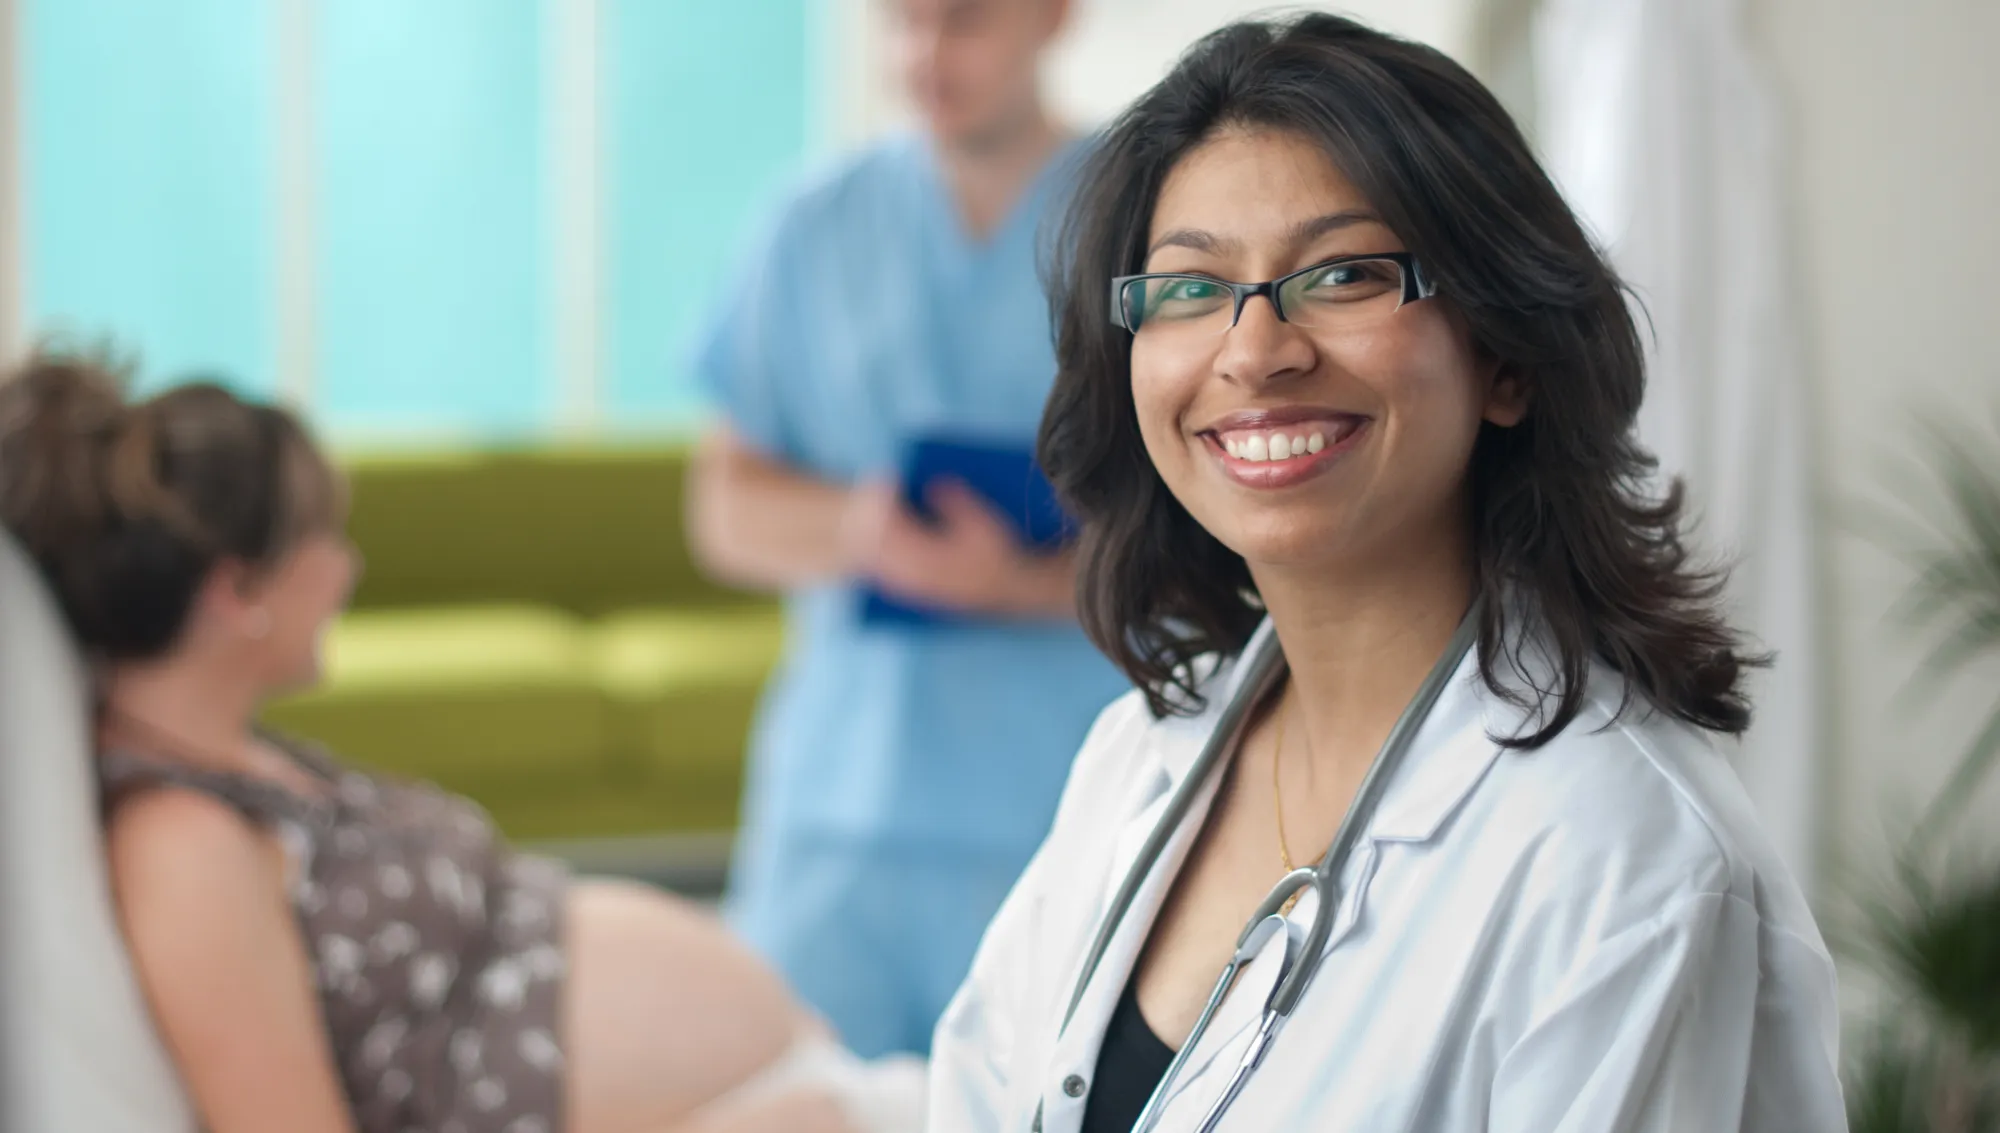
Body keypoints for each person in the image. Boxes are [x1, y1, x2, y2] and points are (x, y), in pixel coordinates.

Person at [928, 14, 1845, 1133]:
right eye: (1189, 287)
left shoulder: (1623, 860)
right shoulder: (1138, 759)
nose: (1255, 351)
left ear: (1505, 356)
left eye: (1345, 275)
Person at [0, 351, 927, 1133]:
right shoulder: (180, 847)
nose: (349, 566)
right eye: (326, 538)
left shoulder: (239, 765)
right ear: (238, 592)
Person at [686, 0, 1128, 1059]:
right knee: (801, 1093)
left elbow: (1223, 533)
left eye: (963, 20)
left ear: (1054, 16)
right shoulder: (813, 223)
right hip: (841, 803)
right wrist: (857, 526)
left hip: (1064, 790)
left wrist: (1016, 581)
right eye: (902, 20)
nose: (925, 55)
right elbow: (724, 510)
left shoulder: (1142, 214)